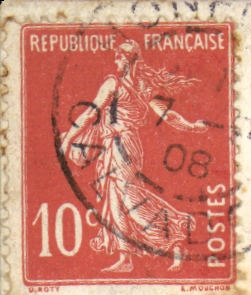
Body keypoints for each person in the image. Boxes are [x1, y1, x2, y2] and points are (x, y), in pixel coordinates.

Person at [57, 40, 209, 272]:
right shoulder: (142, 86)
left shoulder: (114, 84)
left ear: (128, 61)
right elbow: (169, 116)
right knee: (114, 199)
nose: (115, 62)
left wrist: (67, 140)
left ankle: (176, 229)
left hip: (122, 145)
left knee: (129, 197)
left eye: (119, 58)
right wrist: (192, 126)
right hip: (120, 145)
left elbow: (90, 113)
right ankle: (125, 257)